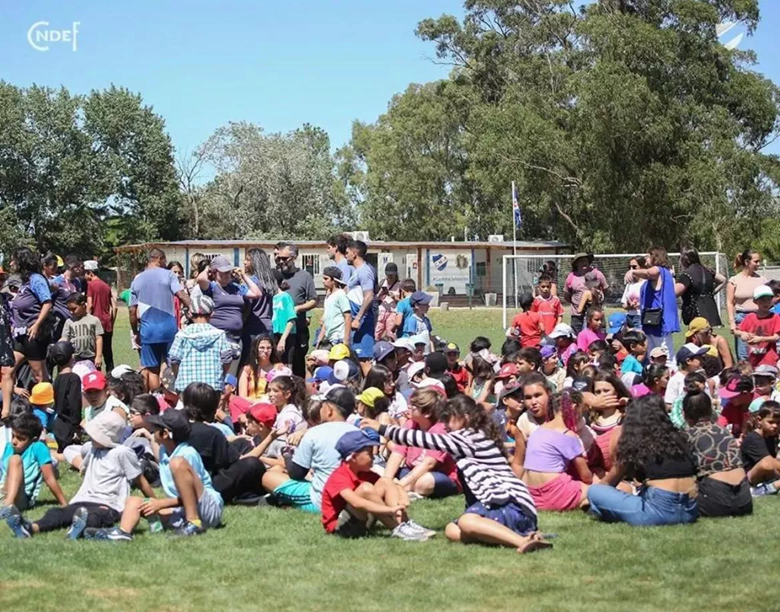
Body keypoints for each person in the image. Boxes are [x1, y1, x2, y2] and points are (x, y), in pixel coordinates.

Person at [361, 396, 551, 554]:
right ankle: (520, 535)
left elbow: (425, 440)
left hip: (512, 504)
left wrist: (382, 429)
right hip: (501, 505)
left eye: (449, 420)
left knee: (467, 521)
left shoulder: (469, 437)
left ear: (465, 418)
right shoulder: (474, 435)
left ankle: (522, 542)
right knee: (452, 530)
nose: (446, 426)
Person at [4, 411, 156, 540]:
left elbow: (140, 481)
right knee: (57, 513)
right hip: (84, 499)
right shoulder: (93, 449)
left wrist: (155, 504)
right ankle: (31, 528)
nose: (91, 436)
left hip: (109, 503)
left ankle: (78, 530)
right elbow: (79, 456)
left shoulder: (122, 453)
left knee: (95, 516)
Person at [90, 409, 224, 539]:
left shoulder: (187, 454)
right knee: (133, 501)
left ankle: (194, 523)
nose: (152, 430)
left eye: (156, 428)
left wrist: (161, 504)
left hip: (206, 509)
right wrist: (154, 504)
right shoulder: (164, 452)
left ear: (165, 433)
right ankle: (122, 533)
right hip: (180, 510)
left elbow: (193, 496)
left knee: (176, 463)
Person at [588, 395, 698, 526]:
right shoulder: (679, 439)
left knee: (594, 492)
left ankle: (598, 510)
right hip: (689, 510)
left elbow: (607, 483)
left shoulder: (636, 443)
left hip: (658, 511)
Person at [320, 429, 432, 540]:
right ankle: (396, 527)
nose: (374, 457)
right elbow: (356, 502)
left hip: (361, 520)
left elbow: (393, 485)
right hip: (342, 528)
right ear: (353, 457)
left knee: (385, 481)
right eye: (369, 453)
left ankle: (404, 523)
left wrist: (402, 497)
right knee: (365, 488)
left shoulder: (365, 473)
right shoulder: (339, 476)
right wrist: (390, 510)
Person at [262, 387, 358, 512]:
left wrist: (287, 454)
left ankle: (288, 503)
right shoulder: (358, 432)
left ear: (329, 410)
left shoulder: (314, 433)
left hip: (323, 500)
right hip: (351, 496)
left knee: (268, 477)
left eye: (322, 406)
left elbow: (296, 473)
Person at [180, 383, 266, 505]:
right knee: (253, 464)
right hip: (207, 485)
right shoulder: (212, 433)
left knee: (241, 443)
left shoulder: (177, 426)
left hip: (182, 477)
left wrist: (234, 438)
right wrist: (271, 438)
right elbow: (241, 460)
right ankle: (249, 494)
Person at [129, 248, 191, 392]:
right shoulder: (168, 275)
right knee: (174, 366)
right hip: (169, 330)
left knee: (153, 370)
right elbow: (181, 294)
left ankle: (156, 400)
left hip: (148, 331)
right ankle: (177, 399)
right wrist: (196, 309)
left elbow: (132, 311)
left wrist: (135, 332)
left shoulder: (137, 280)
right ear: (160, 259)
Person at [682, 390, 752, 516]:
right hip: (744, 500)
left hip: (715, 502)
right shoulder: (725, 432)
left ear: (685, 414)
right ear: (710, 411)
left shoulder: (687, 436)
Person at [523, 386, 592, 512]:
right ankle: (581, 501)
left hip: (533, 494)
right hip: (556, 491)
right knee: (596, 491)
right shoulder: (567, 435)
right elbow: (586, 476)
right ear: (574, 407)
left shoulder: (537, 432)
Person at [3, 247, 53, 419]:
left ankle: (45, 413)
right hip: (20, 335)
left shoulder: (37, 279)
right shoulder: (24, 281)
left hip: (34, 334)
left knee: (39, 376)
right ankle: (6, 412)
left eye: (13, 260)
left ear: (22, 261)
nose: (10, 263)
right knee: (7, 371)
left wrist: (37, 325)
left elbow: (47, 302)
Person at [383, 388, 460, 499]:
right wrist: (386, 480)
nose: (409, 407)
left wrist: (401, 484)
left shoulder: (441, 430)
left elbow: (429, 464)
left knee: (424, 482)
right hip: (412, 471)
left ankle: (404, 488)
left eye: (414, 405)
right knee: (380, 471)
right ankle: (405, 488)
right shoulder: (410, 424)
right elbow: (397, 453)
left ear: (427, 413)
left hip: (439, 475)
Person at [196, 255, 262, 377]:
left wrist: (243, 276)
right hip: (218, 338)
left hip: (235, 338)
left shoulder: (236, 288)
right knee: (216, 373)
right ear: (214, 273)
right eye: (222, 273)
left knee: (230, 376)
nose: (226, 275)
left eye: (228, 272)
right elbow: (200, 279)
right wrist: (207, 269)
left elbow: (257, 293)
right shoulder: (212, 287)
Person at [0, 411, 67, 518]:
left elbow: (49, 478)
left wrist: (65, 504)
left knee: (15, 460)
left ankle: (8, 507)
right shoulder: (9, 447)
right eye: (13, 436)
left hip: (20, 497)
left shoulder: (38, 448)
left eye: (20, 438)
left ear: (33, 439)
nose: (14, 441)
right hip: (3, 491)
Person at [624, 247, 680, 363]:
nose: (645, 258)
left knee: (665, 356)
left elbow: (649, 273)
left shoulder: (659, 270)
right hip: (652, 320)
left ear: (655, 257)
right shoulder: (666, 273)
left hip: (660, 322)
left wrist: (632, 271)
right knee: (653, 355)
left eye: (648, 256)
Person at [168, 295, 234, 394]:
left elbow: (174, 359)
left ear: (190, 313)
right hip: (212, 387)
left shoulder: (182, 335)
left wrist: (178, 377)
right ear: (212, 314)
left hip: (187, 387)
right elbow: (227, 359)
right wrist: (221, 376)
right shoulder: (219, 334)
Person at [275, 242, 317, 378]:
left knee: (297, 368)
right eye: (279, 258)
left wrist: (297, 309)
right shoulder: (275, 276)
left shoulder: (305, 276)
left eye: (285, 258)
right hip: (277, 332)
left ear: (294, 257)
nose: (281, 261)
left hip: (298, 330)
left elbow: (313, 300)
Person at [727, 249, 768, 361]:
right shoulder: (734, 280)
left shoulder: (762, 280)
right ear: (746, 262)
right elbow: (730, 303)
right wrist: (732, 322)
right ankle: (745, 378)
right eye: (756, 261)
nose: (758, 264)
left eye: (759, 261)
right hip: (742, 320)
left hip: (759, 319)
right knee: (743, 356)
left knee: (760, 353)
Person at [241, 248, 277, 366]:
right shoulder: (270, 282)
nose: (244, 263)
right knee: (265, 362)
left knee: (247, 362)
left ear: (255, 262)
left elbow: (246, 308)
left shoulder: (252, 283)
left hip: (252, 326)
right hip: (268, 326)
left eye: (248, 260)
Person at [345, 239, 377, 370]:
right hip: (354, 320)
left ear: (354, 253)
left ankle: (372, 387)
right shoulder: (357, 271)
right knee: (356, 358)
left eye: (347, 252)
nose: (346, 255)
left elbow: (369, 296)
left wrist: (358, 318)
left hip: (362, 322)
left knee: (364, 359)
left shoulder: (365, 271)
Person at [677, 247, 725, 328]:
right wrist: (711, 293)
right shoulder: (708, 271)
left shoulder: (686, 274)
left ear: (686, 259)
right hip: (709, 310)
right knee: (708, 337)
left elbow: (675, 292)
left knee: (696, 337)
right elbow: (723, 280)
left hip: (695, 312)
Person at [740, 402, 780, 496]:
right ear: (759, 420)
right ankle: (754, 491)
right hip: (746, 480)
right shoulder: (753, 439)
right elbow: (768, 464)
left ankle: (768, 487)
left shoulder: (771, 436)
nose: (775, 426)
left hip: (765, 478)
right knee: (767, 463)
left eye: (778, 423)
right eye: (771, 422)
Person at [735, 285, 780, 369]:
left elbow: (776, 337)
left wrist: (761, 339)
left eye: (768, 300)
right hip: (753, 359)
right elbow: (736, 331)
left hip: (769, 359)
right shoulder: (750, 317)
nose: (766, 303)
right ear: (755, 301)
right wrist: (742, 333)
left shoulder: (775, 317)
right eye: (762, 300)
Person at [563, 253, 608, 335]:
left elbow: (605, 288)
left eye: (586, 261)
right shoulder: (571, 276)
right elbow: (566, 295)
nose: (584, 263)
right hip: (578, 316)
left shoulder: (597, 274)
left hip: (591, 316)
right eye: (581, 261)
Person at [48, 341, 82, 451]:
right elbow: (74, 403)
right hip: (69, 427)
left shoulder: (57, 379)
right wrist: (76, 427)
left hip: (58, 425)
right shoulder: (74, 378)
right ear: (71, 358)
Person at [84, 261, 116, 372]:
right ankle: (110, 376)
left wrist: (86, 320)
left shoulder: (91, 285)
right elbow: (114, 307)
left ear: (90, 273)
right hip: (107, 323)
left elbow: (90, 305)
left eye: (85, 273)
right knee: (108, 353)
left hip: (95, 323)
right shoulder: (106, 286)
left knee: (96, 353)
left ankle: (97, 378)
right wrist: (112, 321)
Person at [60, 293, 104, 368]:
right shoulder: (69, 321)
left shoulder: (94, 320)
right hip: (74, 358)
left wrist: (98, 356)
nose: (71, 312)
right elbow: (65, 338)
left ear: (83, 305)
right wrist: (58, 345)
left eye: (74, 309)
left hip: (91, 357)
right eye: (69, 309)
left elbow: (98, 339)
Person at [236, 335, 281, 407]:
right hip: (250, 406)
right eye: (262, 348)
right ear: (256, 349)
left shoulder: (278, 368)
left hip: (271, 406)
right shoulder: (247, 370)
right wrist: (259, 402)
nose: (266, 351)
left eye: (269, 348)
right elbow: (242, 397)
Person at [317, 266, 351, 350]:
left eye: (326, 279)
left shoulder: (340, 295)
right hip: (329, 338)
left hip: (339, 338)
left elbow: (348, 317)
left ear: (334, 281)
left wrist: (346, 340)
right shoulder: (328, 297)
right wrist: (319, 340)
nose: (323, 281)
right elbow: (326, 321)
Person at [665, 344, 708, 409]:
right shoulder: (675, 380)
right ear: (688, 361)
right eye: (699, 358)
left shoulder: (701, 376)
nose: (702, 360)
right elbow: (669, 404)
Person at [270, 269, 298, 366]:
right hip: (274, 335)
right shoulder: (271, 298)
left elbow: (291, 320)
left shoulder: (285, 297)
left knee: (286, 366)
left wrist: (283, 339)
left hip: (286, 336)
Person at [375, 262, 401, 341]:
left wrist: (394, 297)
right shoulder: (382, 282)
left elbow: (402, 301)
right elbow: (375, 298)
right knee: (377, 331)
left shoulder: (400, 285)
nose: (390, 277)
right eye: (388, 275)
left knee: (390, 332)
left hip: (393, 311)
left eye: (392, 275)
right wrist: (381, 294)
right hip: (382, 310)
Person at [621, 257, 646, 329]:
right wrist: (629, 306)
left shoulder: (646, 283)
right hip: (629, 317)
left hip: (640, 317)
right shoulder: (630, 284)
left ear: (642, 267)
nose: (631, 270)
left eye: (634, 267)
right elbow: (624, 304)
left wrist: (638, 304)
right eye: (629, 267)